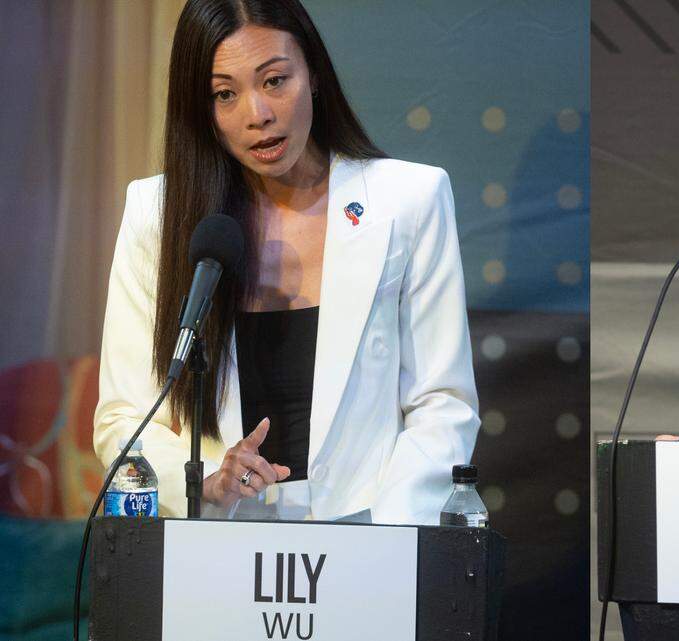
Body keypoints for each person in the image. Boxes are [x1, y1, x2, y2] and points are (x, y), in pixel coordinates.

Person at [93, 0, 479, 525]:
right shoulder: (157, 216)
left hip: (369, 541)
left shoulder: (409, 199)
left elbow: (443, 404)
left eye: (274, 80)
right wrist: (203, 479)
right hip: (215, 553)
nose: (258, 114)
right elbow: (124, 417)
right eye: (224, 94)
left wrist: (383, 536)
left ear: (314, 73)